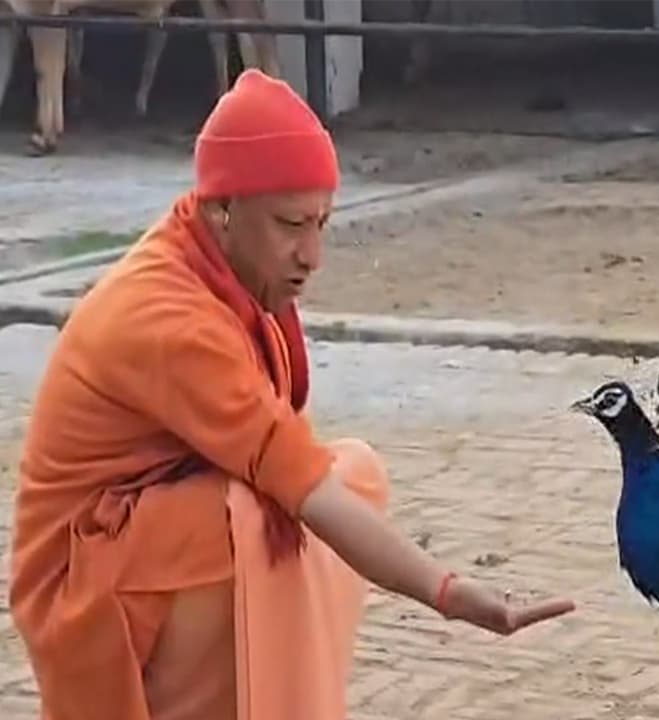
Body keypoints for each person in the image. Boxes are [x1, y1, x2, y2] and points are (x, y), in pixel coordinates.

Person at [6, 69, 575, 720]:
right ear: (221, 209)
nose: (312, 255)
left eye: (322, 224)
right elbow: (303, 488)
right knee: (252, 522)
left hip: (146, 533)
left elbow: (302, 470)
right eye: (290, 224)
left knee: (354, 474)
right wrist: (446, 592)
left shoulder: (223, 265)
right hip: (79, 579)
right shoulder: (170, 319)